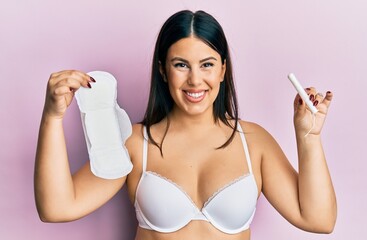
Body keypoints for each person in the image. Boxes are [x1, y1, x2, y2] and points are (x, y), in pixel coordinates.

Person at [34, 10, 337, 240]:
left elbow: (318, 220)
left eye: (207, 64)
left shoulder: (254, 142)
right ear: (163, 71)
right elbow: (57, 207)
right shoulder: (135, 144)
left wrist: (308, 137)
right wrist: (53, 117)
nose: (195, 80)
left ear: (222, 70)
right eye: (181, 65)